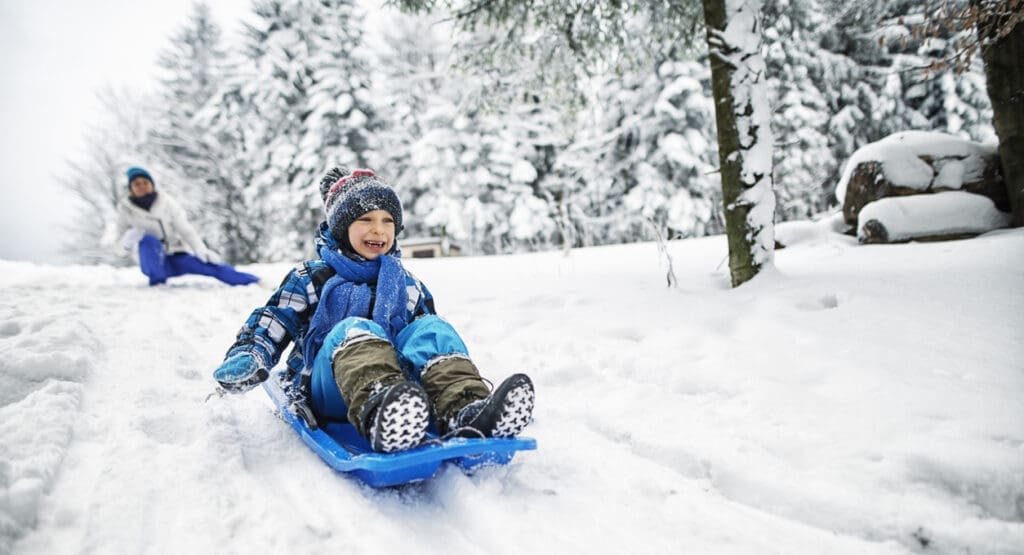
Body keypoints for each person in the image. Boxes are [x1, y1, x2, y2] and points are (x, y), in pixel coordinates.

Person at [211, 167, 534, 453]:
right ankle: (384, 415)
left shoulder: (405, 284)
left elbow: (421, 342)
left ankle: (466, 408)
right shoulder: (311, 277)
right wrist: (250, 355)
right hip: (328, 388)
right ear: (341, 228)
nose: (378, 230)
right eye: (365, 220)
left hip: (403, 391)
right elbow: (273, 321)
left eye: (387, 221)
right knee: (354, 329)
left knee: (431, 329)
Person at [116, 166, 260, 287]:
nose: (141, 186)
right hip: (153, 263)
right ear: (131, 188)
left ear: (152, 184)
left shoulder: (166, 203)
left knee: (210, 266)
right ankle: (158, 283)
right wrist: (126, 243)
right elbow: (119, 249)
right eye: (136, 184)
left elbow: (185, 230)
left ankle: (253, 281)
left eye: (145, 182)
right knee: (148, 239)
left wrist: (200, 249)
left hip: (177, 256)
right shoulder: (125, 209)